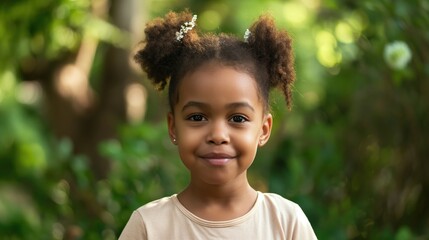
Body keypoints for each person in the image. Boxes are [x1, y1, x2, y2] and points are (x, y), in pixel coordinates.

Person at [119, 10, 317, 240]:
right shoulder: (150, 226)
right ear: (173, 127)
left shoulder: (286, 222)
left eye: (238, 119)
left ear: (263, 130)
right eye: (197, 117)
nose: (218, 135)